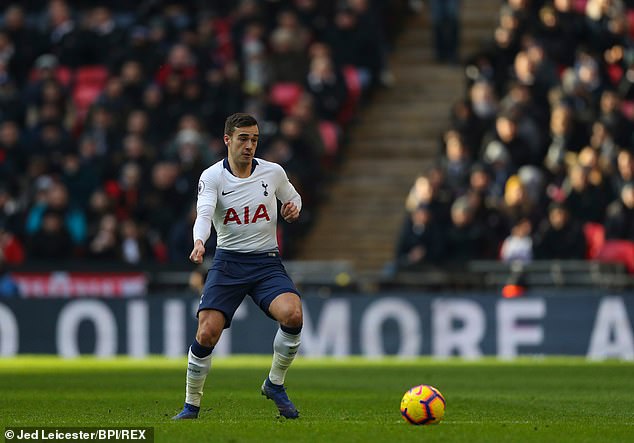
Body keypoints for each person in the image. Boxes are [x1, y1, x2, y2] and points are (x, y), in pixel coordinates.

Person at [173, 113, 303, 420]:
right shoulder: (212, 176)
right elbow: (204, 214)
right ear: (227, 140)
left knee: (293, 314)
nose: (249, 145)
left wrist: (293, 209)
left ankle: (275, 383)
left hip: (266, 262)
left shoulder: (273, 173)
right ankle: (191, 405)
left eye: (254, 139)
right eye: (243, 138)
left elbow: (293, 197)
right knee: (206, 333)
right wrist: (200, 241)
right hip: (228, 262)